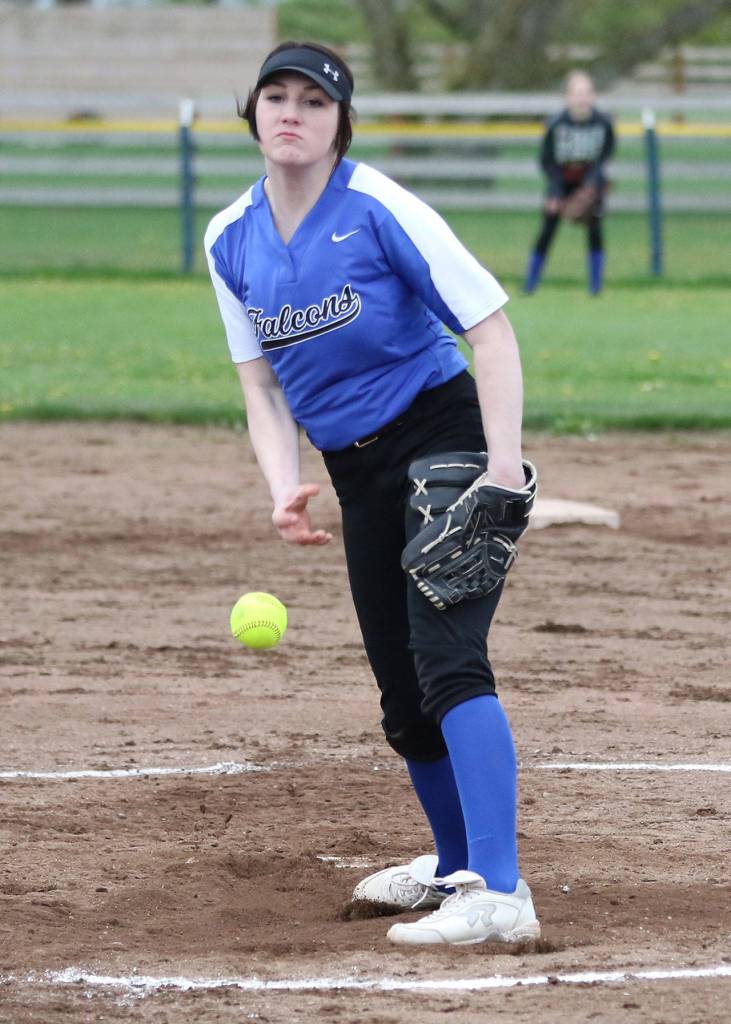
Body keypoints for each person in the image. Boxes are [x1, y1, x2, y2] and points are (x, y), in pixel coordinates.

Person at [205, 41, 540, 947]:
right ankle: (453, 867)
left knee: (446, 657)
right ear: (254, 115)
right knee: (400, 690)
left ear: (338, 122)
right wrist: (284, 486)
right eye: (275, 96)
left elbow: (491, 329)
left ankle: (502, 894)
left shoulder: (378, 206)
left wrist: (501, 466)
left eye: (313, 102)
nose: (291, 112)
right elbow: (261, 387)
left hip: (442, 438)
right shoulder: (228, 238)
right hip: (353, 471)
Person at [523, 70, 615, 295]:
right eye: (577, 93)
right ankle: (530, 285)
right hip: (561, 180)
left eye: (586, 93)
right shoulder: (556, 124)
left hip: (588, 181)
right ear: (567, 97)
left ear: (593, 96)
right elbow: (547, 160)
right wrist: (555, 193)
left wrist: (592, 184)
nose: (582, 98)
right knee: (548, 230)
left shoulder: (603, 123)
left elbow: (605, 154)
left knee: (594, 227)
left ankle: (595, 287)